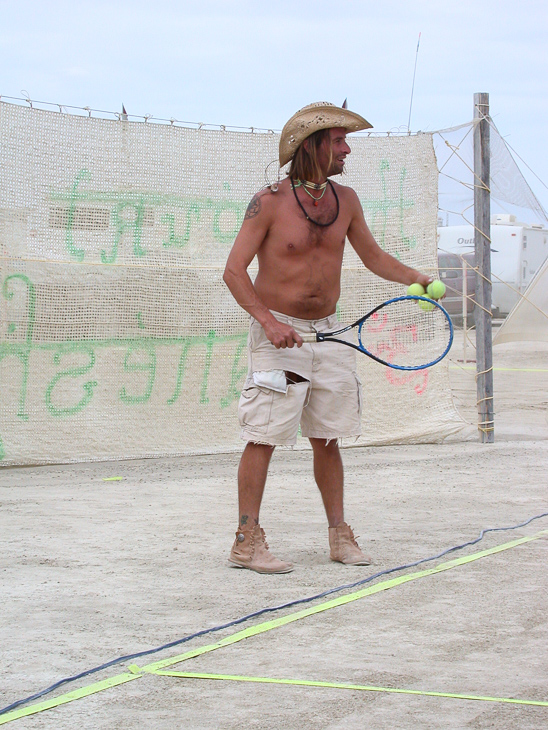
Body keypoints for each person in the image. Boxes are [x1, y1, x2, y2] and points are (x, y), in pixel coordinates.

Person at [223, 102, 432, 574]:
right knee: (263, 437)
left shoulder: (347, 200)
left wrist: (417, 278)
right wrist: (270, 323)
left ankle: (340, 536)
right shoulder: (270, 200)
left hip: (330, 333)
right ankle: (245, 541)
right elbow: (234, 271)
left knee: (328, 438)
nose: (346, 149)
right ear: (312, 145)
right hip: (278, 331)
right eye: (338, 141)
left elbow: (374, 257)